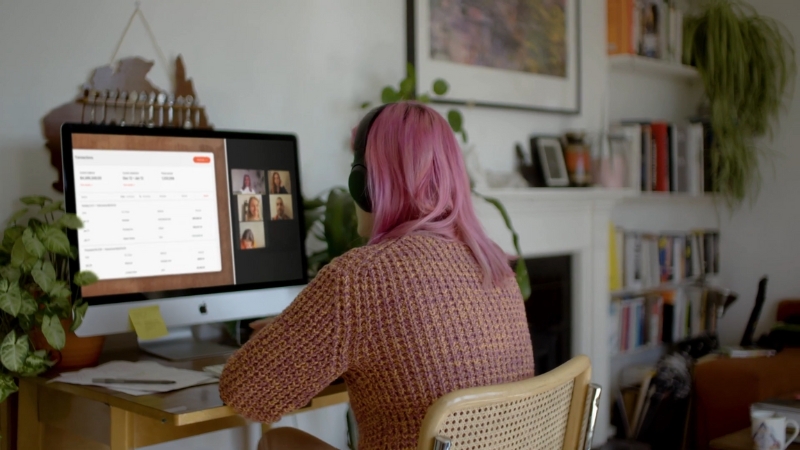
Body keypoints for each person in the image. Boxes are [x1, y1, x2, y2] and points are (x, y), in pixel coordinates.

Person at [219, 102, 534, 450]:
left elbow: (245, 394)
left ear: (364, 184)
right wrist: (314, 340)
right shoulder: (495, 264)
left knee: (276, 442)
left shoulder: (360, 279)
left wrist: (302, 341)